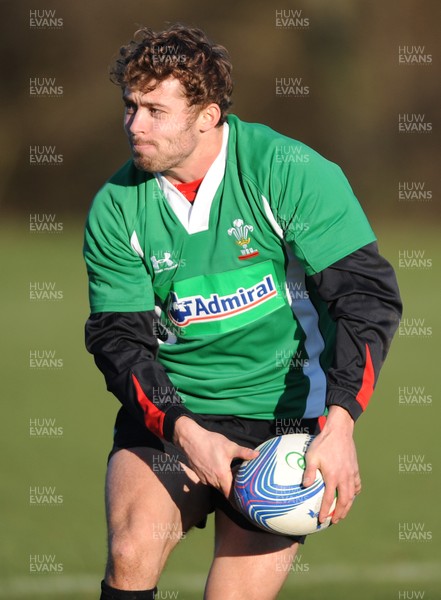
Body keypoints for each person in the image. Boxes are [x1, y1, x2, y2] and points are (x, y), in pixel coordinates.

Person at [83, 24, 402, 600]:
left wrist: (341, 421)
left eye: (155, 109)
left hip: (282, 421)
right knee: (132, 551)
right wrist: (184, 430)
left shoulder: (288, 170)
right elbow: (119, 341)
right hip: (175, 408)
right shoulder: (116, 206)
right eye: (130, 106)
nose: (135, 124)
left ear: (207, 116)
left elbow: (364, 297)